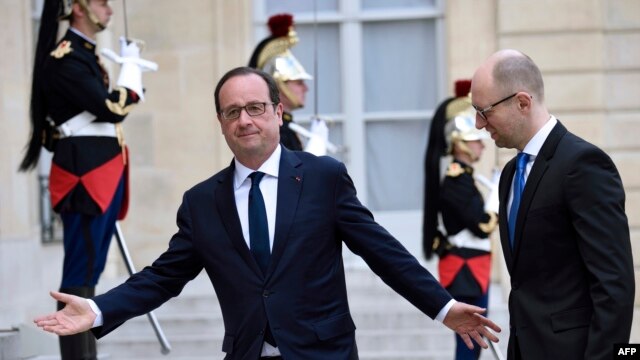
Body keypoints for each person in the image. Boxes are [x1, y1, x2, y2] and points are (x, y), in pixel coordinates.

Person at [35, 66, 502, 360]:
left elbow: (384, 253)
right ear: (220, 123)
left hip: (324, 354)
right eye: (232, 111)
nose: (245, 120)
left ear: (278, 113)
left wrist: (443, 308)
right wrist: (97, 309)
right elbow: (162, 278)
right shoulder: (202, 202)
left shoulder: (323, 178)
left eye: (256, 108)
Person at [470, 49, 634, 360]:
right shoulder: (508, 175)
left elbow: (614, 286)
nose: (478, 124)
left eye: (485, 110)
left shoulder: (583, 164)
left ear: (522, 102)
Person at [19, 0, 149, 358]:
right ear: (79, 8)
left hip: (101, 173)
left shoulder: (86, 55)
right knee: (80, 276)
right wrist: (132, 77)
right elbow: (110, 107)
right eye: (101, 2)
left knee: (88, 276)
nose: (108, 9)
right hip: (86, 178)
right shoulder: (66, 58)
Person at [423, 79, 499, 360]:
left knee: (473, 340)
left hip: (473, 264)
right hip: (466, 266)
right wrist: (496, 202)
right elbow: (482, 226)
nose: (481, 146)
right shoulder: (457, 182)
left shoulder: (464, 179)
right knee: (469, 340)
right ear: (460, 144)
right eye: (474, 141)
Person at [248, 13, 310, 152]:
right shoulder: (277, 131)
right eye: (299, 82)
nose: (306, 88)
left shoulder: (287, 126)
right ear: (278, 85)